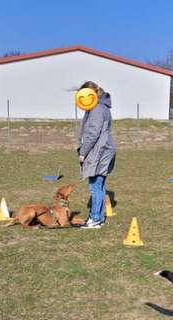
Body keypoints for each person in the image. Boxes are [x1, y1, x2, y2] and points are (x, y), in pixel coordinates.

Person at [77, 81, 116, 229]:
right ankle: (97, 218)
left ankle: (95, 218)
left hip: (99, 150)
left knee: (95, 186)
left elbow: (93, 133)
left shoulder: (97, 109)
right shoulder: (102, 107)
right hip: (104, 148)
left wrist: (83, 152)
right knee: (99, 185)